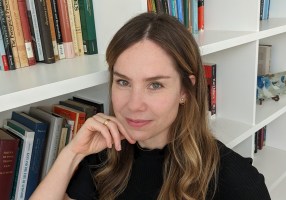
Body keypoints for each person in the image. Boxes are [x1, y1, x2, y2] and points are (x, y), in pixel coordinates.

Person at [30, 12, 271, 200]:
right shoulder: (102, 157)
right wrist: (73, 153)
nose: (134, 105)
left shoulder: (235, 180)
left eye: (155, 85)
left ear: (185, 91)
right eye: (123, 81)